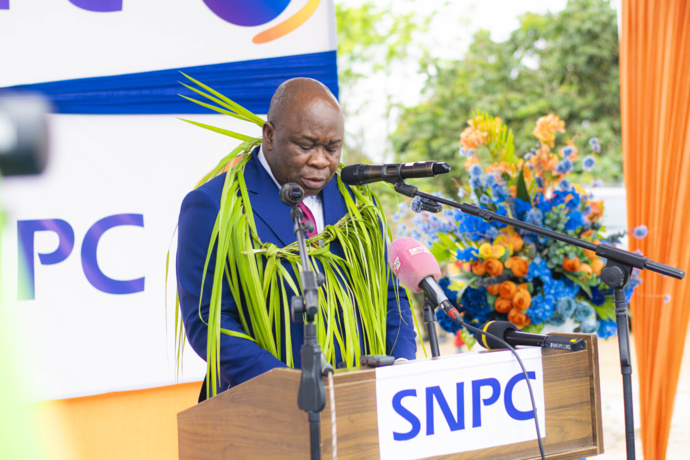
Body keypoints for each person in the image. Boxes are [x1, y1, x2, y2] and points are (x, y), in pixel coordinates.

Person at [176, 78, 416, 400]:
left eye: (332, 148)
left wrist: (401, 362)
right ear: (270, 135)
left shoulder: (356, 200)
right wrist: (290, 383)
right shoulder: (213, 205)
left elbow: (390, 294)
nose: (321, 160)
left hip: (364, 399)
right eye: (306, 145)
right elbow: (208, 320)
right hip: (266, 407)